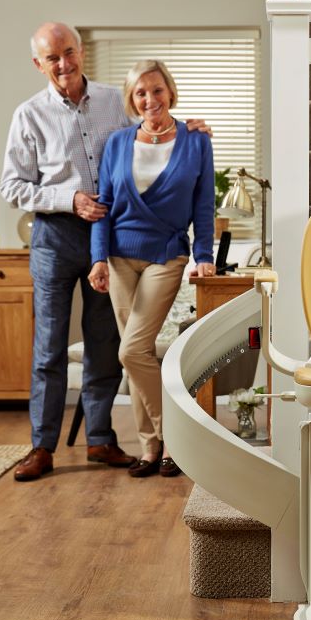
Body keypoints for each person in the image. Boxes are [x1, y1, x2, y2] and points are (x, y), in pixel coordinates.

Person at [0, 23, 210, 482]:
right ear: (39, 64)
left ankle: (100, 438)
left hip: (110, 239)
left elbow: (153, 128)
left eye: (69, 53)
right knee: (50, 346)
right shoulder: (29, 115)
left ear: (81, 53)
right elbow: (11, 185)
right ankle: (42, 446)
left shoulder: (117, 99)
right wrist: (69, 199)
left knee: (107, 343)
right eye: (52, 58)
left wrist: (193, 127)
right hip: (56, 236)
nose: (63, 64)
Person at [88, 59, 216, 477]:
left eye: (157, 90)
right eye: (140, 93)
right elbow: (104, 208)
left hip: (167, 253)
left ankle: (176, 440)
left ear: (170, 91)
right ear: (132, 99)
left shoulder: (196, 141)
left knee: (131, 349)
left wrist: (203, 255)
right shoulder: (119, 143)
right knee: (136, 355)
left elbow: (202, 204)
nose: (150, 99)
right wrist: (98, 257)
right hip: (120, 257)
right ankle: (151, 448)